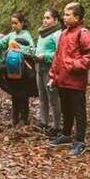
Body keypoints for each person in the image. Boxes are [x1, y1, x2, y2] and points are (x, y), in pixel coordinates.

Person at [48, 3, 90, 158]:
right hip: (62, 80)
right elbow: (57, 56)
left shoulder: (83, 33)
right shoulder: (64, 33)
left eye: (67, 14)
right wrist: (53, 76)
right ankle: (66, 134)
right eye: (64, 14)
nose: (64, 17)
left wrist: (74, 65)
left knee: (79, 111)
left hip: (76, 81)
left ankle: (80, 141)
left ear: (77, 17)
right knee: (66, 109)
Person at [0, 13, 34, 126]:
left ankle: (23, 118)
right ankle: (14, 117)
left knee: (23, 94)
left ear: (22, 23)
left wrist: (19, 49)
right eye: (12, 23)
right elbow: (1, 43)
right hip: (11, 69)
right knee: (14, 93)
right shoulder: (11, 35)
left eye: (16, 23)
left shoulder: (26, 35)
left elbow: (31, 49)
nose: (14, 25)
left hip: (22, 70)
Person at [35, 9, 62, 137]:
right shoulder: (42, 33)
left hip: (50, 69)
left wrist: (45, 56)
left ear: (55, 20)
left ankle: (57, 126)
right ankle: (43, 122)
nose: (44, 20)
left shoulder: (57, 34)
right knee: (42, 96)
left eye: (48, 18)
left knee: (53, 98)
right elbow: (39, 49)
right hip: (39, 68)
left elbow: (59, 53)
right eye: (44, 17)